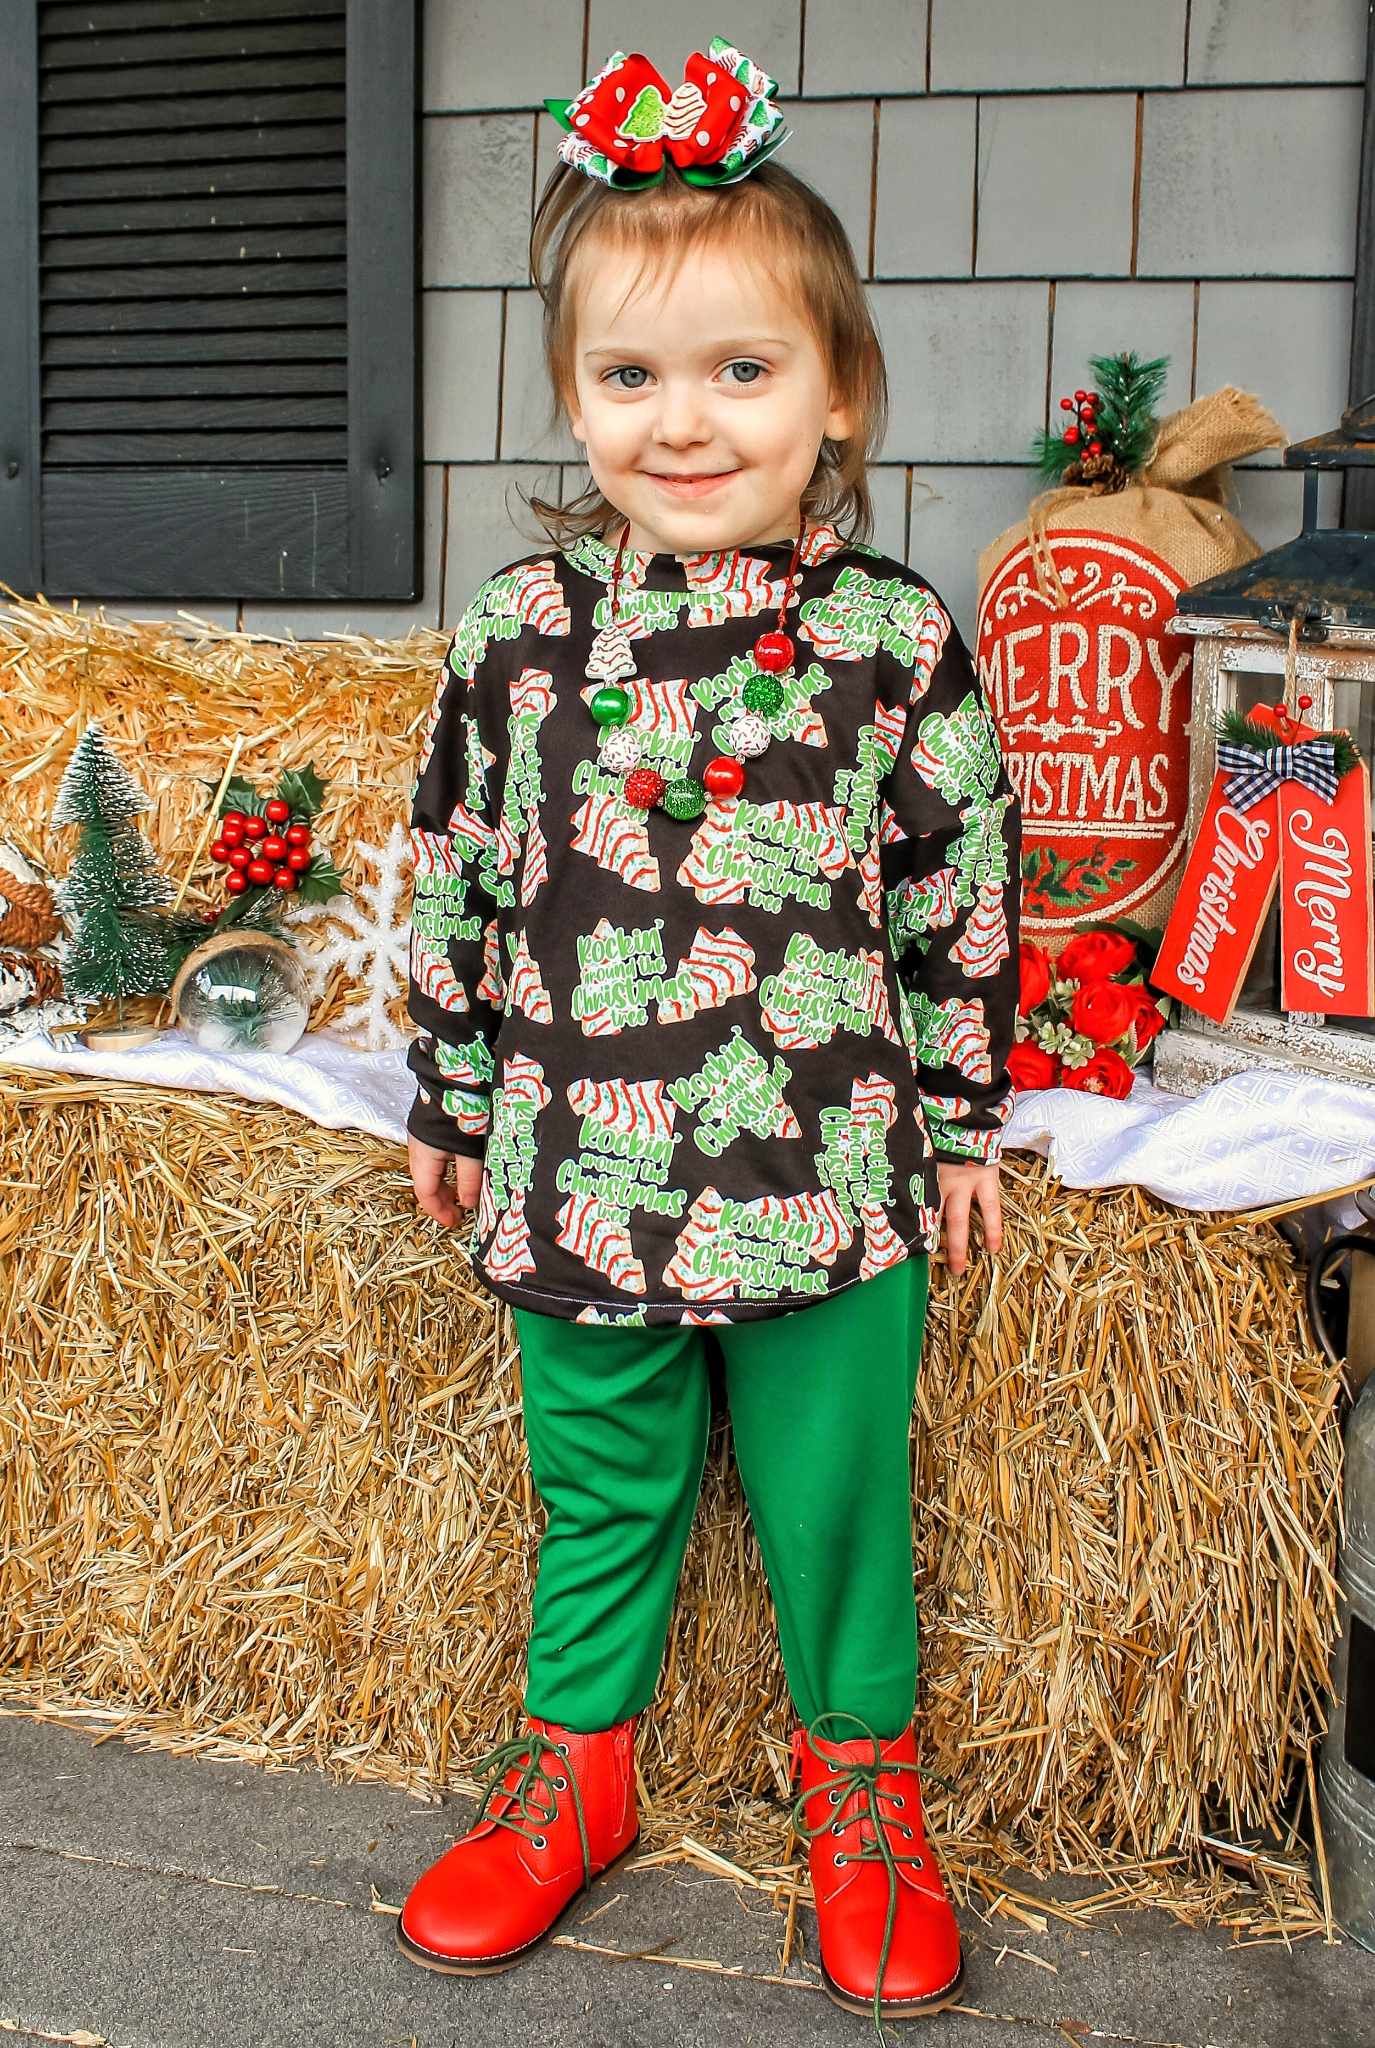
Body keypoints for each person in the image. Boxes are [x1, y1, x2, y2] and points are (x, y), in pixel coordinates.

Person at [395, 34, 1019, 2031]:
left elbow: (954, 890)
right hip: (581, 1161)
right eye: (631, 376)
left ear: (836, 391)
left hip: (826, 1169)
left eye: (741, 371)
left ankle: (865, 1787)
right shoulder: (513, 636)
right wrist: (450, 1086)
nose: (685, 421)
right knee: (600, 1478)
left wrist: (969, 1116)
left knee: (838, 1492)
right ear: (573, 396)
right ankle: (574, 1769)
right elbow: (458, 869)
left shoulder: (892, 639)